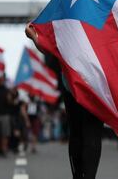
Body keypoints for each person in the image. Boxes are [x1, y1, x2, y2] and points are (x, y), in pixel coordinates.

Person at [25, 24, 104, 179]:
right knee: (91, 131)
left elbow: (52, 50)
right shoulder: (102, 11)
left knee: (77, 131)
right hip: (95, 83)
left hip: (72, 82)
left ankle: (78, 176)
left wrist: (35, 38)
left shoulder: (65, 17)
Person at [8, 89, 30, 154]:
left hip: (17, 118)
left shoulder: (20, 101)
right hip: (11, 118)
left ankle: (18, 146)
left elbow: (23, 110)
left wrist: (26, 120)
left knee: (18, 133)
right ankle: (14, 146)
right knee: (13, 133)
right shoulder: (9, 99)